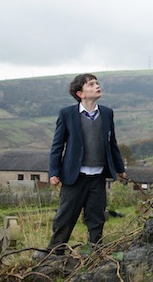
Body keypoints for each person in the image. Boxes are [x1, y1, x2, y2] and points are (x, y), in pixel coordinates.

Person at [35, 73, 126, 258]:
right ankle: (55, 252)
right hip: (74, 176)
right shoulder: (67, 114)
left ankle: (96, 252)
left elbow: (112, 143)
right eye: (91, 84)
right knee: (65, 216)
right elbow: (57, 145)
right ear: (80, 93)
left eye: (97, 83)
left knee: (96, 216)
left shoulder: (107, 113)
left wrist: (120, 169)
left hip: (98, 176)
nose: (97, 86)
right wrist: (54, 172)